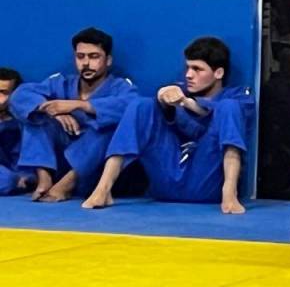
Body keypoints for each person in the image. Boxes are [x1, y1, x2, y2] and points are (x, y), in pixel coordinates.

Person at [81, 37, 251, 213]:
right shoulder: (178, 91)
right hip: (167, 179)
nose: (188, 75)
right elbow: (163, 104)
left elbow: (211, 114)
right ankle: (103, 189)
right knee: (141, 105)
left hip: (205, 184)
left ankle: (230, 194)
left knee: (229, 107)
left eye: (197, 69)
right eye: (188, 68)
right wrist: (162, 96)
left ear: (218, 73)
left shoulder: (239, 97)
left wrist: (187, 103)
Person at [12, 28, 136, 201]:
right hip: (59, 164)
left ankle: (67, 185)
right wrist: (51, 111)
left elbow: (132, 107)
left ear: (108, 60)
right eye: (80, 57)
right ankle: (44, 179)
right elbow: (20, 95)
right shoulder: (61, 83)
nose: (86, 63)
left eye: (94, 57)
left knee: (109, 128)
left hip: (94, 170)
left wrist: (80, 105)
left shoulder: (120, 87)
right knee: (36, 116)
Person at [0, 68, 34, 195]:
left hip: (9, 175)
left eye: (3, 92)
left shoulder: (21, 124)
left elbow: (24, 161)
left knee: (8, 180)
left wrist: (24, 177)